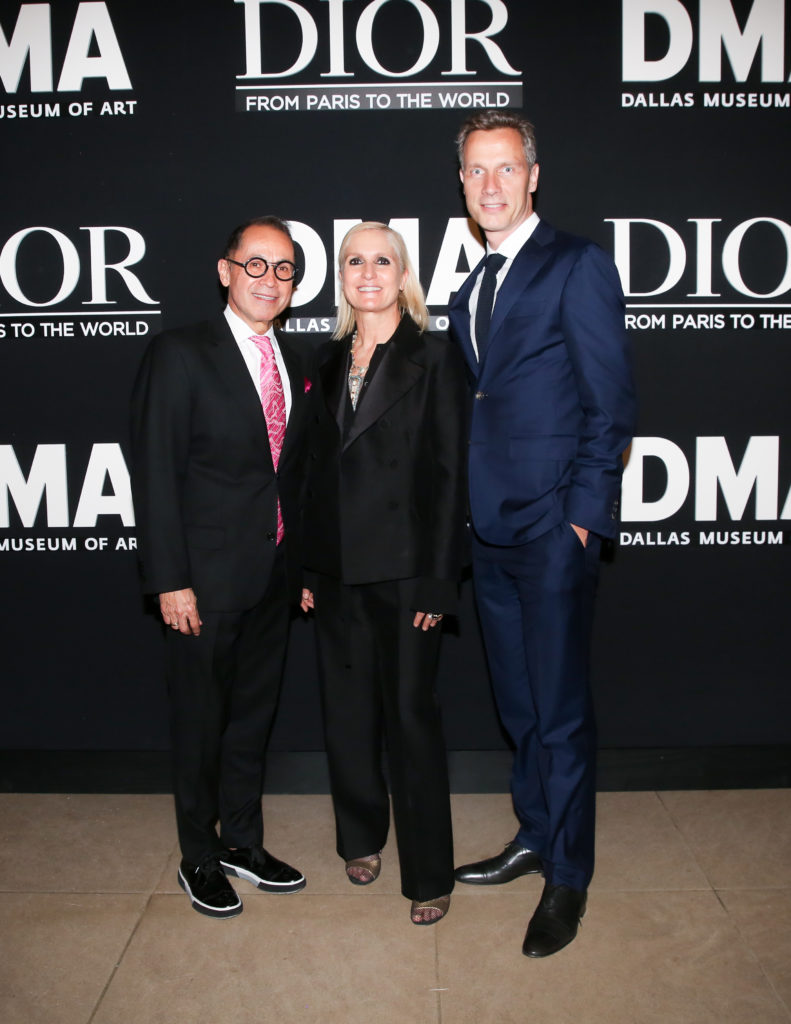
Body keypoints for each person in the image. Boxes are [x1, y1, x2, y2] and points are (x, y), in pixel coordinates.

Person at [449, 111, 637, 957]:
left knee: (559, 715)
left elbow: (609, 405)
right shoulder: (469, 285)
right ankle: (533, 835)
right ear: (461, 184)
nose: (489, 184)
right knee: (519, 705)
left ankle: (568, 876)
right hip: (488, 533)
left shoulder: (576, 264)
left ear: (533, 175)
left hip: (552, 532)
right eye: (474, 171)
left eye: (504, 168)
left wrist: (579, 521)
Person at [130, 215, 311, 919]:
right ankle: (198, 858)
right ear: (225, 270)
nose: (270, 280)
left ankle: (241, 842)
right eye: (256, 265)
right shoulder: (179, 353)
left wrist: (303, 571)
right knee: (200, 726)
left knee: (249, 723)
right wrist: (169, 579)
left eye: (285, 268)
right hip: (201, 583)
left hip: (272, 577)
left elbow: (290, 475)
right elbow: (155, 472)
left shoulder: (292, 360)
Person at [300, 222, 468, 925]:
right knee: (346, 717)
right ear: (341, 275)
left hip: (405, 574)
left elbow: (451, 473)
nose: (366, 271)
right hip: (336, 573)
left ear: (403, 274)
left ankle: (428, 874)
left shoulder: (436, 356)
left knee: (409, 718)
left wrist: (438, 578)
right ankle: (360, 837)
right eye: (353, 260)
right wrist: (305, 565)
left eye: (381, 259)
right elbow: (310, 476)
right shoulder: (327, 357)